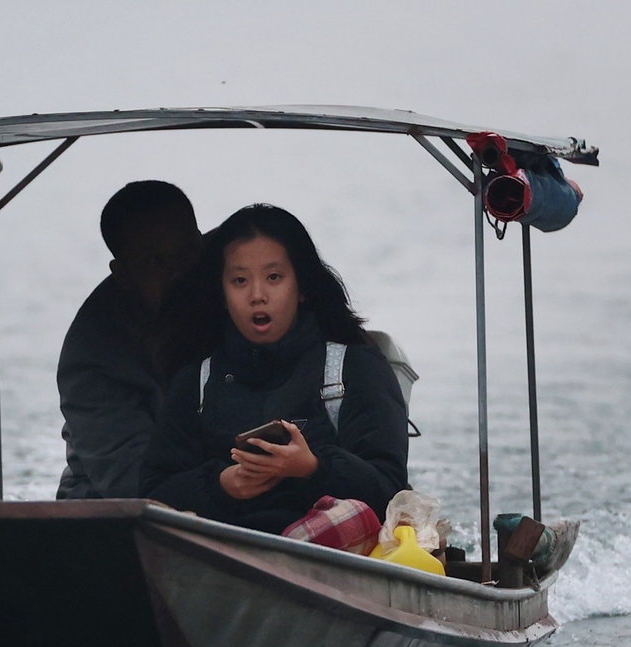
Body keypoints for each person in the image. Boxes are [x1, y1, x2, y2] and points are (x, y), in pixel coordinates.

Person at [140, 205, 408, 532]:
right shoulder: (196, 380)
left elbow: (391, 492)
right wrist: (221, 485)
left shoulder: (354, 368)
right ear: (222, 294)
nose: (257, 295)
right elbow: (152, 494)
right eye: (239, 280)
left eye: (274, 277)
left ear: (303, 287)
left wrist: (313, 468)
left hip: (331, 564)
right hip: (219, 562)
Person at [54, 181, 201, 499]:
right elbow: (133, 483)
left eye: (187, 251)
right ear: (122, 273)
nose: (180, 272)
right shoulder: (91, 357)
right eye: (154, 262)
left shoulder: (240, 280)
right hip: (112, 511)